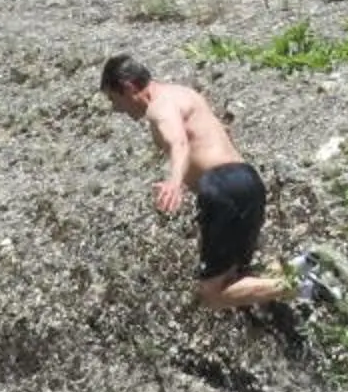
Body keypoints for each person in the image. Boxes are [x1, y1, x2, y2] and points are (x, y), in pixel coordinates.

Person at [99, 55, 314, 312]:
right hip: (247, 178)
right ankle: (307, 263)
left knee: (212, 293)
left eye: (114, 99)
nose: (117, 109)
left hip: (221, 187)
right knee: (237, 274)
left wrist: (174, 183)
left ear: (129, 87)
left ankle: (309, 288)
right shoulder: (182, 93)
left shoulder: (159, 107)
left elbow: (179, 143)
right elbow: (219, 131)